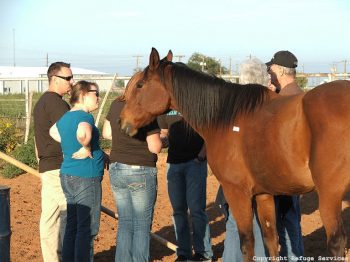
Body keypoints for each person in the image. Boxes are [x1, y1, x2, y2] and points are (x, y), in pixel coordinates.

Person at [102, 77, 162, 262]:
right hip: (140, 169)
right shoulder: (146, 109)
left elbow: (107, 133)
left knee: (125, 223)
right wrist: (164, 141)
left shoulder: (115, 104)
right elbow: (154, 147)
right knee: (142, 225)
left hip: (117, 167)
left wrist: (125, 139)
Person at [215, 58, 270, 262]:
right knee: (257, 225)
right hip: (258, 179)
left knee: (235, 224)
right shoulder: (266, 106)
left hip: (235, 179)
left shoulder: (231, 109)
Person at [50, 80, 105, 261]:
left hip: (68, 175)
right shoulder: (85, 116)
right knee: (86, 228)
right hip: (86, 177)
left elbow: (53, 132)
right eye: (95, 93)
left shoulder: (65, 117)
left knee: (72, 225)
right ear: (82, 95)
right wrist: (86, 146)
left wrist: (76, 147)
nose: (98, 97)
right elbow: (83, 133)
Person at [158, 109, 213, 262]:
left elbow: (209, 132)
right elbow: (164, 132)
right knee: (178, 211)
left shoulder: (195, 104)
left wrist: (202, 155)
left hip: (194, 163)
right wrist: (163, 140)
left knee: (196, 209)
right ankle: (184, 252)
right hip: (174, 164)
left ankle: (204, 253)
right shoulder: (166, 109)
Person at [266, 50, 304, 259]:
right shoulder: (300, 94)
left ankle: (294, 257)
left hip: (282, 170)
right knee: (292, 219)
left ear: (279, 70)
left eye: (270, 69)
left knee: (284, 221)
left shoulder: (282, 101)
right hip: (297, 168)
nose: (269, 73)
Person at [33, 61, 73, 262]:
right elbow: (69, 133)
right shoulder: (56, 103)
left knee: (50, 218)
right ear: (55, 79)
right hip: (59, 166)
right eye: (68, 78)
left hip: (47, 166)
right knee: (67, 215)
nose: (71, 82)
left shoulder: (41, 102)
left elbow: (36, 140)